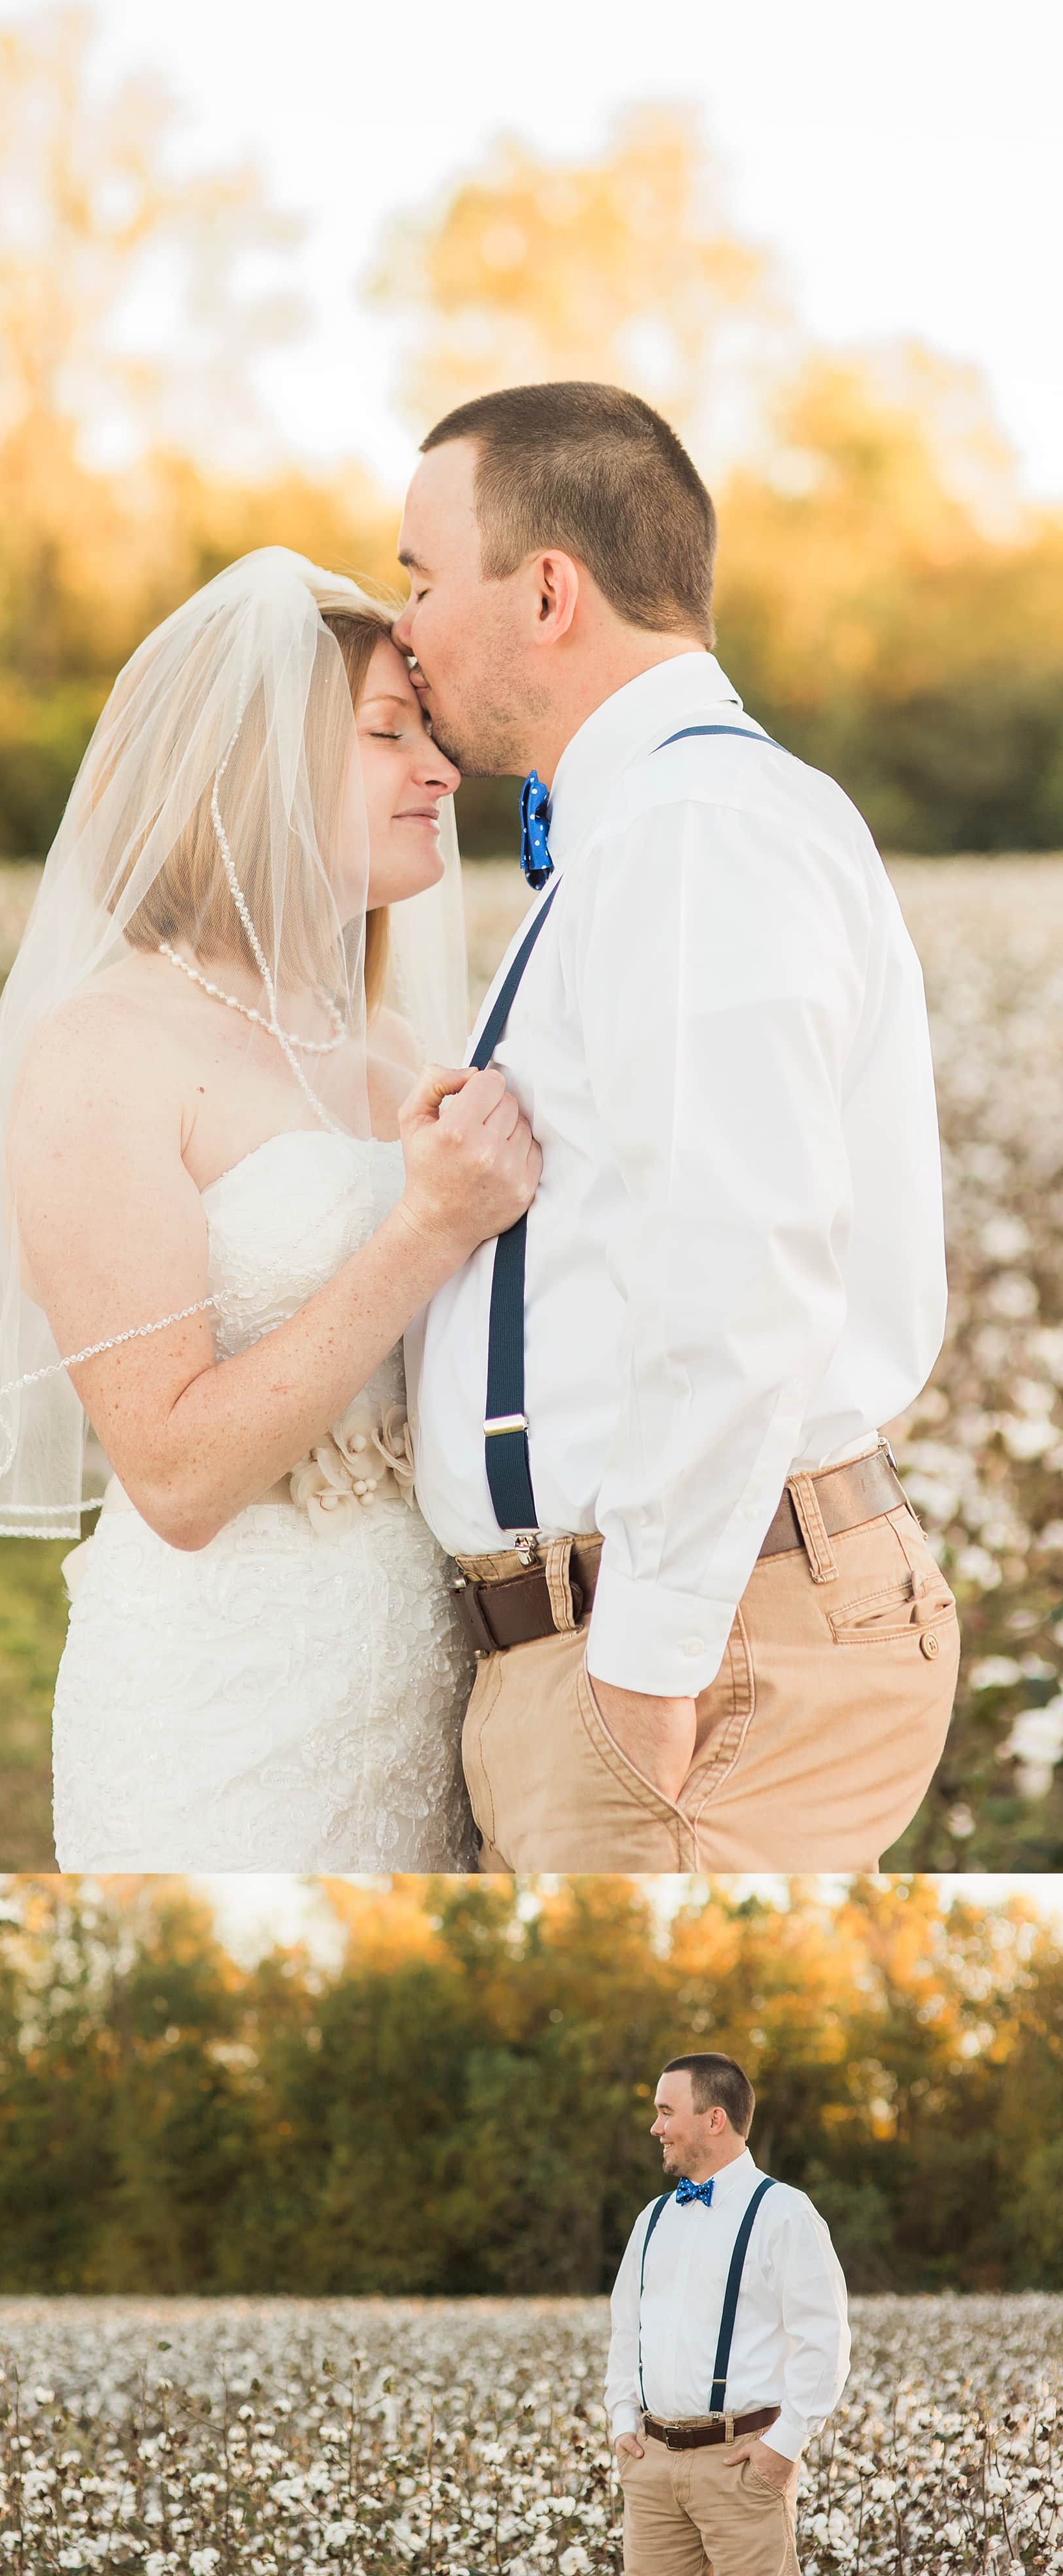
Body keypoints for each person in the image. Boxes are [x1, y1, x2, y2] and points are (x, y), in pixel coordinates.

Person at [399, 379, 960, 1872]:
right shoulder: (650, 826)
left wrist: (645, 1664)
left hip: (705, 1658)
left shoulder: (694, 832)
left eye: (420, 578)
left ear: (544, 589)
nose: (405, 626)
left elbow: (739, 1259)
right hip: (679, 1637)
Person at [0, 548, 540, 1870]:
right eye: (390, 736)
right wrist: (425, 1230)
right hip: (225, 1707)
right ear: (248, 771)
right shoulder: (109, 1050)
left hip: (435, 1690)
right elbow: (176, 1473)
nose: (443, 773)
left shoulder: (397, 1047)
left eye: (432, 737)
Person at [605, 2052, 850, 2576]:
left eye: (667, 2112)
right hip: (651, 2469)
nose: (656, 2127)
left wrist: (783, 2449)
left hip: (741, 2465)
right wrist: (622, 2420)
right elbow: (628, 2328)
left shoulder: (784, 2212)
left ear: (714, 2119)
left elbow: (825, 2341)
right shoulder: (652, 2219)